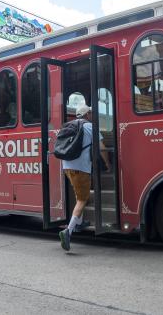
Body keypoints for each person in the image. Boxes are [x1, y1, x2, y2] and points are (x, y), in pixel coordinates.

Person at [59, 105, 110, 251]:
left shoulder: (69, 125)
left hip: (67, 166)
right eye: (91, 112)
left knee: (79, 194)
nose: (93, 114)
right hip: (81, 167)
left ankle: (79, 223)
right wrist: (107, 164)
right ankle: (67, 232)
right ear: (87, 114)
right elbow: (101, 147)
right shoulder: (90, 127)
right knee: (83, 199)